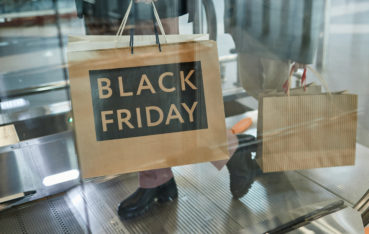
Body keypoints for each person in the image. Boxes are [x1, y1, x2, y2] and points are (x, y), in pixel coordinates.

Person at [75, 0, 259, 220]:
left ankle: (228, 149)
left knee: (158, 91)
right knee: (125, 97)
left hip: (140, 6)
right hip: (99, 7)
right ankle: (159, 175)